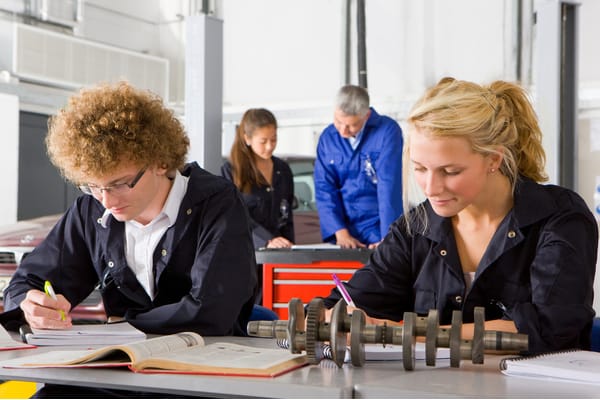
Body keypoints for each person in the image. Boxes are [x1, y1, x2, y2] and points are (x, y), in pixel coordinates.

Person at [323, 77, 598, 355]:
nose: (431, 188)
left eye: (450, 172)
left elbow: (549, 327)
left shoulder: (560, 218)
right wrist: (333, 318)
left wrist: (405, 335)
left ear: (494, 159)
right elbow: (351, 301)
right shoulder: (416, 227)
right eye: (420, 169)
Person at [2, 81, 257, 338]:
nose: (107, 201)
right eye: (92, 186)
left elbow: (211, 312)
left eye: (120, 184)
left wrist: (121, 325)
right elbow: (26, 282)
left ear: (161, 161)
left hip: (205, 365)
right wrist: (29, 303)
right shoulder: (90, 209)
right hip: (118, 367)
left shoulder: (217, 204)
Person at [314, 84, 403, 249]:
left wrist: (387, 238)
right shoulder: (328, 138)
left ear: (366, 115)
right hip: (343, 230)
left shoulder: (387, 132)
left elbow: (389, 186)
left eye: (351, 125)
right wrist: (340, 231)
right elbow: (324, 188)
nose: (343, 130)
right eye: (338, 121)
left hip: (378, 226)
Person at [221, 108, 295, 249]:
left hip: (280, 253)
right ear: (247, 139)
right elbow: (234, 216)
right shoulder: (231, 171)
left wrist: (290, 249)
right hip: (246, 253)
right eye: (263, 141)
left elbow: (287, 217)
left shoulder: (283, 170)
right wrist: (267, 241)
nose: (269, 146)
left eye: (273, 140)